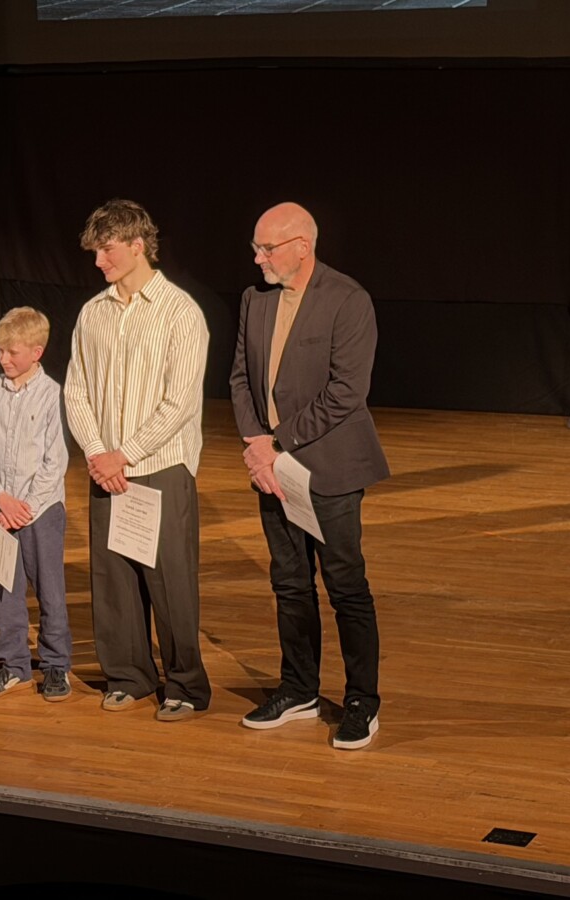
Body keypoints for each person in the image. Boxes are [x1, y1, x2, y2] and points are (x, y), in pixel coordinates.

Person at [230, 202, 390, 751]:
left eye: (266, 248)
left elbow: (347, 392)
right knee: (289, 584)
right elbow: (240, 379)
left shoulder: (348, 300)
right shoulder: (255, 300)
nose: (257, 258)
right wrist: (256, 446)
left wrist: (275, 444)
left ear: (302, 245)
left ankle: (362, 701)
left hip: (330, 469)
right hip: (271, 469)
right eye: (256, 247)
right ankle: (298, 688)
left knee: (345, 586)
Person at [64, 198, 210, 722]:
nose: (98, 261)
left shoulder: (180, 312)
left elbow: (180, 401)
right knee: (114, 579)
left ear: (137, 245)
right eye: (95, 252)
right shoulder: (93, 313)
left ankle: (186, 684)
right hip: (107, 466)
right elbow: (76, 390)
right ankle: (128, 675)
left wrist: (126, 453)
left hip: (160, 465)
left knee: (169, 581)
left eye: (106, 250)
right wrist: (99, 454)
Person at [0, 307, 72, 702]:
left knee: (50, 591)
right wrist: (1, 499)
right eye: (0, 351)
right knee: (5, 593)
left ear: (37, 351)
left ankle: (56, 665)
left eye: (12, 352)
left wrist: (23, 506)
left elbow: (55, 461)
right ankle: (14, 666)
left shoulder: (52, 394)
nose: (4, 359)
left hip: (40, 511)